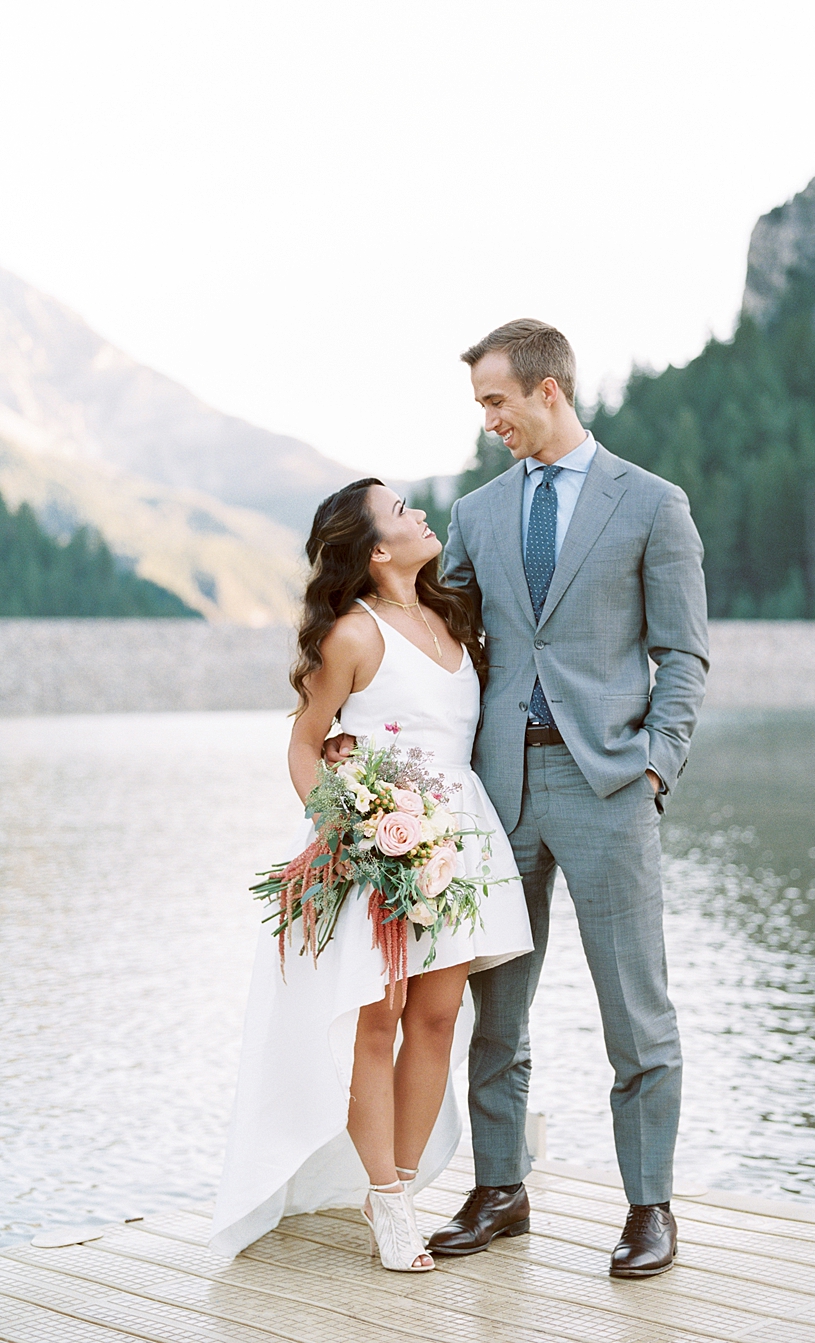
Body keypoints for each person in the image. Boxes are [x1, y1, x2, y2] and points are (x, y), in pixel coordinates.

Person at [425, 319, 709, 1279]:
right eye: (481, 407)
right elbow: (446, 642)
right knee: (495, 1003)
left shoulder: (654, 505)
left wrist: (659, 761)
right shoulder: (474, 514)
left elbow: (684, 654)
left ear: (548, 390)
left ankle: (648, 1206)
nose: (488, 421)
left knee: (636, 1007)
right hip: (497, 789)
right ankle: (501, 1188)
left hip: (611, 784)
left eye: (496, 401)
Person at [209, 479, 533, 1270]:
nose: (420, 513)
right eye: (400, 512)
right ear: (377, 550)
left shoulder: (453, 619)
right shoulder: (352, 635)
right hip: (375, 844)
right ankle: (388, 1204)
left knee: (437, 1017)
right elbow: (304, 742)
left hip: (458, 841)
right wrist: (348, 833)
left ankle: (404, 1185)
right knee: (378, 1018)